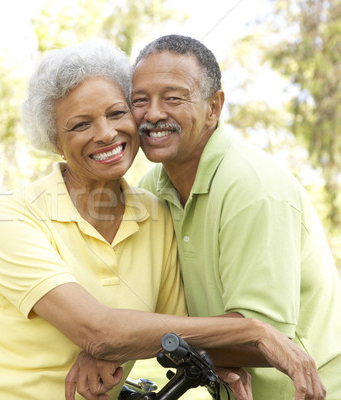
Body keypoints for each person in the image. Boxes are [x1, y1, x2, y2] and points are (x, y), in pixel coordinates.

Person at [0, 39, 322, 400]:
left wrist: (110, 346)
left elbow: (176, 331)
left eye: (116, 112)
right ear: (55, 141)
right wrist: (255, 331)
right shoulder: (12, 216)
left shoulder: (157, 212)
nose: (106, 134)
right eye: (80, 125)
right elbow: (101, 331)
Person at [64, 35, 341, 400]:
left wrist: (119, 344)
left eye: (174, 98)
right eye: (140, 100)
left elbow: (264, 338)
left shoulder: (252, 187)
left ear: (214, 107)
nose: (154, 114)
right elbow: (101, 256)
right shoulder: (154, 186)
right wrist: (9, 262)